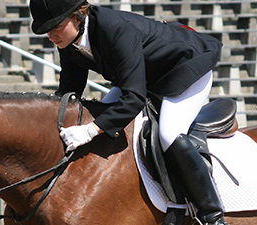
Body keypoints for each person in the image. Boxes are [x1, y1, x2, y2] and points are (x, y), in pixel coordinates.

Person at [30, 0, 226, 224]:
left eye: (56, 26)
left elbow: (134, 99)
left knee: (169, 134)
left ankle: (211, 214)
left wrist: (91, 130)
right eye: (47, 30)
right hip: (142, 79)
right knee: (100, 117)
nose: (51, 35)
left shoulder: (115, 29)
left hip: (185, 70)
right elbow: (69, 90)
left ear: (78, 15)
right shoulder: (68, 39)